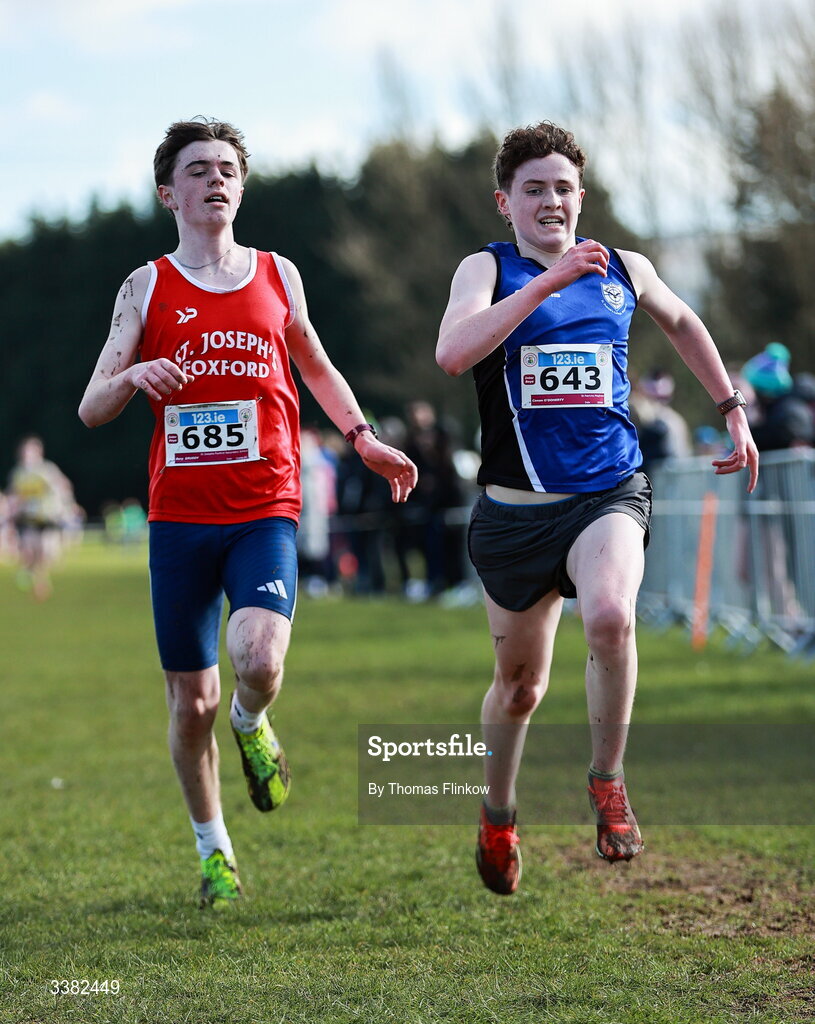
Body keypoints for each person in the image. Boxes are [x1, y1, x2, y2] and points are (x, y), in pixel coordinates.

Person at [78, 118, 417, 909]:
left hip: (266, 506)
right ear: (170, 192)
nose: (215, 180)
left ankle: (252, 718)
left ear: (242, 184)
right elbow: (92, 406)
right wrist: (136, 377)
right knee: (186, 703)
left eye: (228, 168)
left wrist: (362, 438)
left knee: (260, 658)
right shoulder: (146, 286)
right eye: (198, 170)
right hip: (180, 520)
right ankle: (213, 848)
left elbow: (320, 368)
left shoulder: (278, 274)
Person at [436, 121, 758, 895]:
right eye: (534, 189)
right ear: (505, 200)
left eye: (563, 188)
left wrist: (730, 407)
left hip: (607, 492)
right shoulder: (486, 268)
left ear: (582, 196)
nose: (551, 202)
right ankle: (498, 812)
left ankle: (606, 779)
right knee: (519, 687)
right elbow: (452, 354)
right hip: (514, 513)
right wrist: (545, 282)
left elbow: (681, 321)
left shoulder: (623, 266)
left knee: (610, 617)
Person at [7, 435, 74, 600]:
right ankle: (35, 578)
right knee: (30, 551)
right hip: (28, 519)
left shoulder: (47, 470)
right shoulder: (19, 473)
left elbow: (63, 486)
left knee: (45, 553)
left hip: (47, 517)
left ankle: (39, 579)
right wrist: (11, 514)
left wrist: (65, 505)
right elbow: (14, 495)